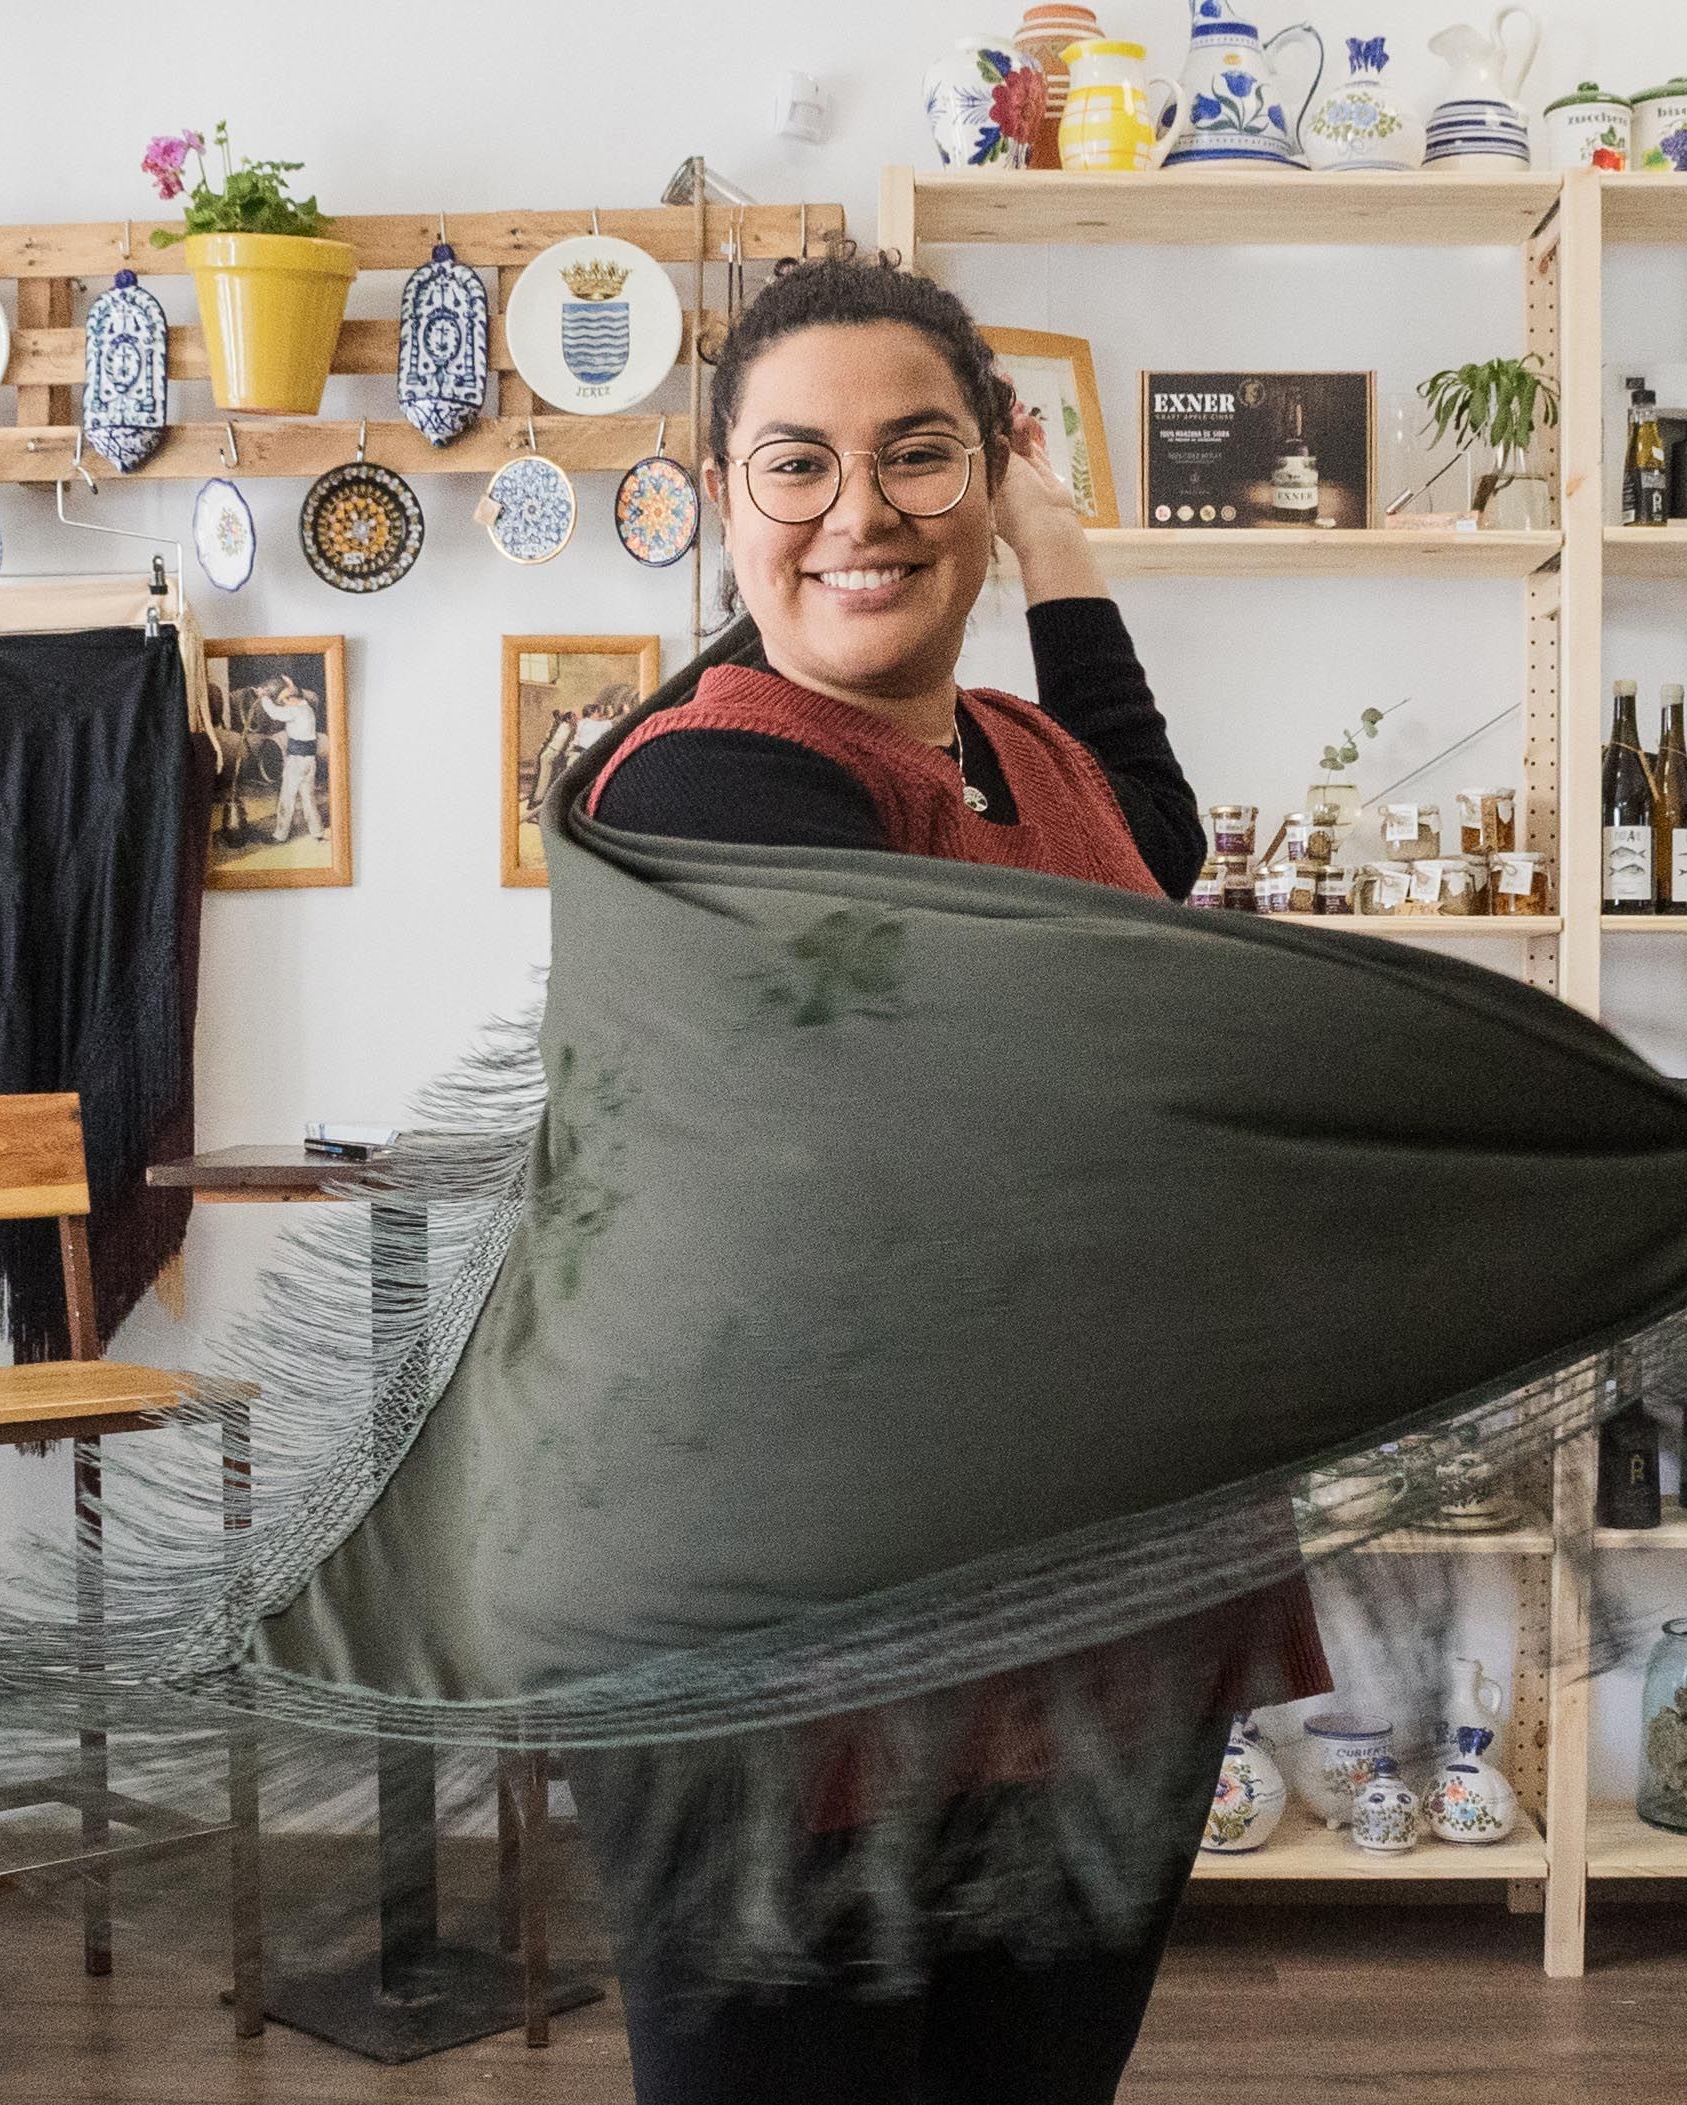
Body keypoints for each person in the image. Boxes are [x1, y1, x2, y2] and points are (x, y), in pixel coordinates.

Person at [568, 251, 1328, 2105]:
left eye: (918, 457)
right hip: (805, 1653)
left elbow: (1147, 823)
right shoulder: (709, 788)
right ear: (726, 497)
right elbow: (964, 1134)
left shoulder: (1016, 749)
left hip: (1095, 1607)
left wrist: (1052, 539)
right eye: (793, 467)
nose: (858, 513)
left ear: (987, 471)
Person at [254, 676, 323, 843]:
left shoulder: (295, 711)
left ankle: (280, 835)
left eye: (284, 701)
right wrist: (291, 685)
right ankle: (317, 832)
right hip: (309, 760)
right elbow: (290, 696)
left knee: (287, 797)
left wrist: (263, 696)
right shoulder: (307, 709)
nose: (283, 704)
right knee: (308, 797)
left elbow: (274, 713)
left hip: (297, 761)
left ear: (291, 699)